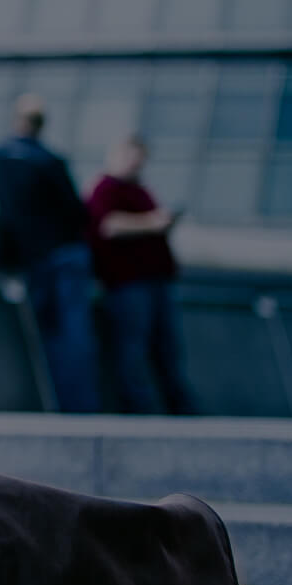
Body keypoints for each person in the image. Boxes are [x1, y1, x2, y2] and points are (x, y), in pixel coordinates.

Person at [0, 94, 99, 413]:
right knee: (73, 337)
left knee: (47, 335)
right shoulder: (50, 160)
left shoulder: (2, 157)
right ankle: (78, 409)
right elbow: (76, 210)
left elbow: (5, 208)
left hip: (33, 257)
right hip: (65, 254)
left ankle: (60, 406)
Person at [86, 135, 195, 415]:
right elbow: (108, 225)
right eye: (132, 159)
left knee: (166, 351)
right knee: (132, 350)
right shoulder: (104, 188)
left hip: (155, 281)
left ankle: (178, 409)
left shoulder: (139, 190)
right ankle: (139, 410)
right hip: (127, 284)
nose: (136, 166)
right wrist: (152, 223)